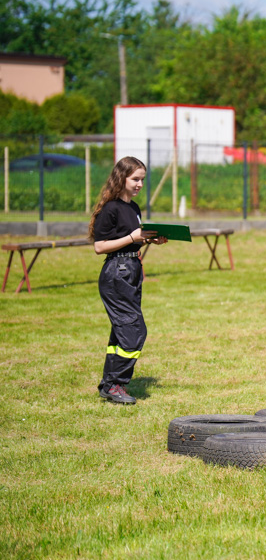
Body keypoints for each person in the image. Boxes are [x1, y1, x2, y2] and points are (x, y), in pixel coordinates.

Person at [89, 157, 167, 405]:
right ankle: (116, 385)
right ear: (121, 178)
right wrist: (133, 236)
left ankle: (110, 384)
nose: (140, 184)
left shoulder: (134, 208)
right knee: (134, 332)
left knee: (121, 332)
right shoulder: (110, 208)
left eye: (142, 179)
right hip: (116, 273)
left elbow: (132, 237)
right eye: (135, 179)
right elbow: (100, 247)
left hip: (132, 270)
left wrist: (147, 239)